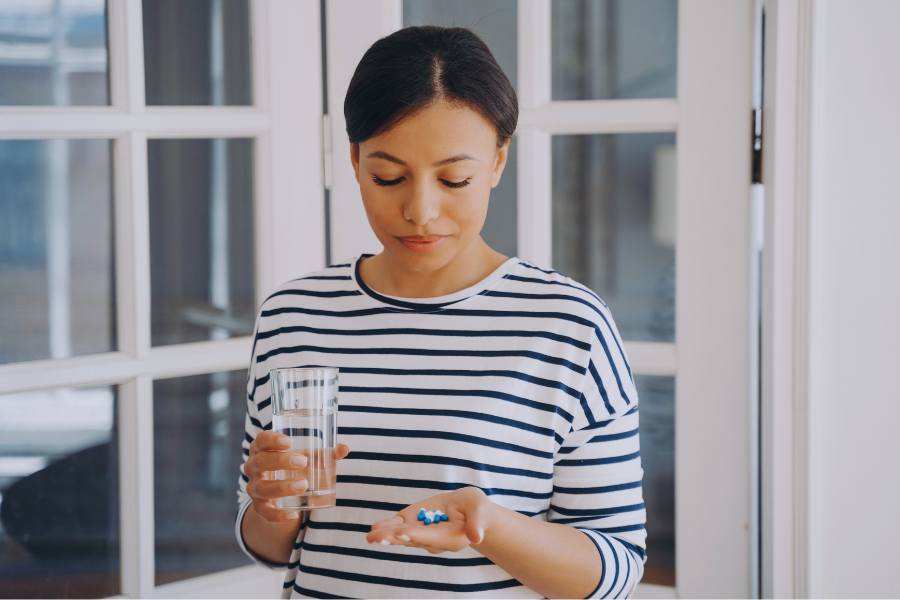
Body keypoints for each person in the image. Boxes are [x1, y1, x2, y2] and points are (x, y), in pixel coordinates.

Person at [235, 25, 646, 599]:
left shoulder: (567, 326)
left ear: (499, 161)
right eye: (388, 177)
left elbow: (617, 566)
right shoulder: (296, 314)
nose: (420, 210)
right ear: (354, 160)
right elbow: (271, 545)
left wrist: (490, 527)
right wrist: (271, 506)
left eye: (454, 178)